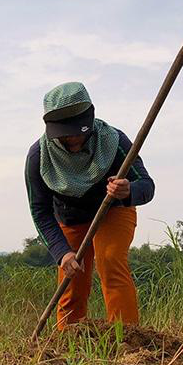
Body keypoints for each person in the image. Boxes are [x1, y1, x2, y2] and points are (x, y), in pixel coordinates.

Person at [24, 82, 154, 328]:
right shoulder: (38, 157)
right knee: (72, 276)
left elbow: (147, 185)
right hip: (70, 219)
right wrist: (61, 252)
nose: (72, 138)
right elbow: (39, 211)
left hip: (113, 210)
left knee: (110, 259)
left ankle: (126, 339)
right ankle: (68, 344)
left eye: (77, 131)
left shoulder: (114, 141)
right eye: (65, 133)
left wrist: (128, 190)